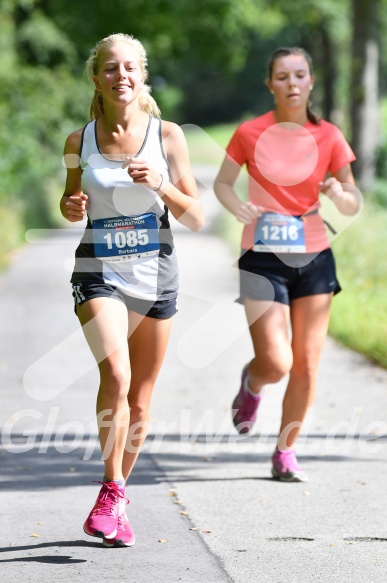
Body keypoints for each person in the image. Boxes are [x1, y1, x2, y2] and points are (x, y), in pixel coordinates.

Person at [60, 33, 203, 547]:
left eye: (130, 68)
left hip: (156, 274)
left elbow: (198, 216)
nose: (121, 76)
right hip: (98, 270)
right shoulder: (79, 141)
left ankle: (116, 495)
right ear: (96, 77)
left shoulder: (168, 138)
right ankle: (111, 489)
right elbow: (70, 199)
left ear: (143, 74)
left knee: (140, 400)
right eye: (109, 68)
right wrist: (72, 207)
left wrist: (161, 186)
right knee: (116, 374)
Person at [214, 47, 360, 483]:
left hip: (314, 257)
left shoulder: (329, 136)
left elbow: (353, 203)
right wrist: (237, 204)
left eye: (299, 75)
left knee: (307, 364)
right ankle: (253, 383)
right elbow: (223, 183)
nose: (292, 83)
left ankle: (285, 451)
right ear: (270, 84)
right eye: (282, 76)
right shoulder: (250, 132)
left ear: (311, 81)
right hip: (262, 258)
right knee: (276, 362)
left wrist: (338, 194)